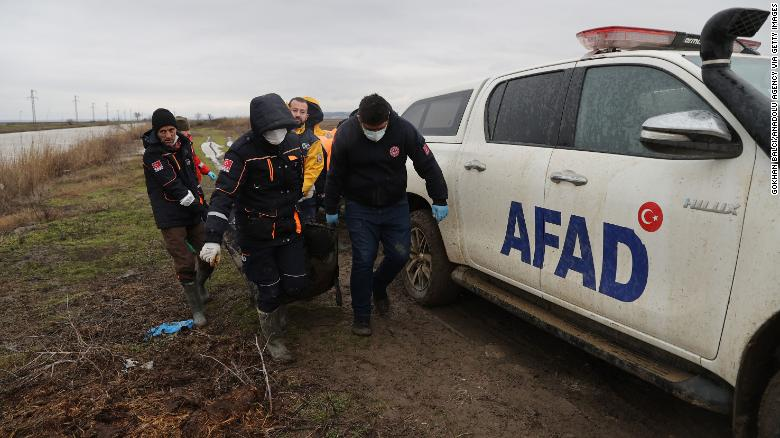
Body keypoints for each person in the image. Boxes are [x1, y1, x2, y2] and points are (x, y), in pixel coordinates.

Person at [325, 94, 449, 336]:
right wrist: (330, 207)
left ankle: (378, 286)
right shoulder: (347, 134)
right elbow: (335, 174)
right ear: (360, 119)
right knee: (363, 258)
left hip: (394, 205)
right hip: (360, 207)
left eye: (380, 128)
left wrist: (440, 197)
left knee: (400, 254)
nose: (375, 133)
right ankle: (361, 315)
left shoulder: (403, 130)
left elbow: (427, 164)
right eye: (370, 129)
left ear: (388, 118)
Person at [199, 94, 307, 363]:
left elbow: (298, 179)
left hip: (287, 227)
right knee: (268, 288)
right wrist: (212, 237)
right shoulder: (241, 152)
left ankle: (278, 308)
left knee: (296, 284)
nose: (277, 135)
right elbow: (223, 194)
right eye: (271, 130)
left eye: (281, 128)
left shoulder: (293, 143)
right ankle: (273, 338)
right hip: (256, 233)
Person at [141, 108, 213, 327]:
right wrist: (195, 204)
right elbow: (172, 183)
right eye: (162, 131)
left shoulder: (185, 144)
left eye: (171, 129)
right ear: (156, 131)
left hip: (192, 210)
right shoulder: (152, 155)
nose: (168, 135)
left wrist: (202, 203)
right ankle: (197, 309)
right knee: (184, 261)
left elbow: (192, 178)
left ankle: (200, 284)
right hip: (170, 214)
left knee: (208, 253)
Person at [288, 97, 324, 223]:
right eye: (294, 110)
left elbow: (314, 169)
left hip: (305, 198)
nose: (298, 114)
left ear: (307, 116)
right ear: (287, 111)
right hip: (278, 196)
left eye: (302, 112)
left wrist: (299, 191)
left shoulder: (313, 141)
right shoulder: (277, 136)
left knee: (307, 232)